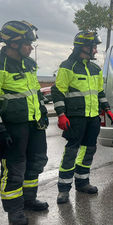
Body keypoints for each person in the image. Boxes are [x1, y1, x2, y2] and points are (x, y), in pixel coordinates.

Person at [51, 31, 113, 204]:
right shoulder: (67, 66)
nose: (96, 51)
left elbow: (99, 92)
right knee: (71, 151)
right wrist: (61, 114)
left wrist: (107, 109)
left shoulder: (95, 68)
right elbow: (58, 91)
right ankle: (63, 189)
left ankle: (82, 182)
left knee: (89, 150)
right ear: (84, 47)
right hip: (75, 118)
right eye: (94, 47)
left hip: (93, 117)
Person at [0, 20, 49, 225]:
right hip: (13, 127)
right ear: (13, 44)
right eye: (28, 43)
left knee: (35, 163)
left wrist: (43, 111)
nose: (31, 47)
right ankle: (14, 212)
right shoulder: (1, 65)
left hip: (34, 124)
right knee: (14, 169)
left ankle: (29, 200)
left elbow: (35, 91)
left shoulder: (29, 64)